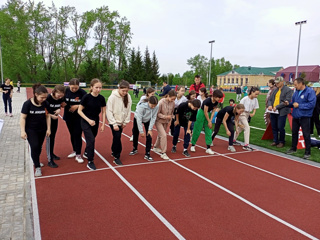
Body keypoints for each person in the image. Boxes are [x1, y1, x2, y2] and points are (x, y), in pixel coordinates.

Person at [20, 84, 51, 177]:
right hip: (31, 129)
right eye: (42, 97)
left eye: (45, 97)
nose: (44, 99)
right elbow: (23, 118)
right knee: (34, 146)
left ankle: (36, 159)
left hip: (42, 129)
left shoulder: (45, 103)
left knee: (39, 147)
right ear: (36, 94)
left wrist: (48, 128)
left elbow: (48, 115)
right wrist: (22, 131)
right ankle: (37, 167)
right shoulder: (27, 104)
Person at [78, 79, 106, 170]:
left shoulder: (101, 98)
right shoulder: (86, 97)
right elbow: (79, 110)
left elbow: (104, 111)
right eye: (96, 87)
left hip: (95, 121)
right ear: (91, 87)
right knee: (91, 140)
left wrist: (103, 124)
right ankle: (90, 161)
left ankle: (86, 152)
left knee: (93, 138)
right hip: (85, 120)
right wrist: (88, 120)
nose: (98, 89)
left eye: (100, 88)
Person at [285, 77, 316, 159]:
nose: (295, 86)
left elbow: (312, 104)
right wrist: (289, 104)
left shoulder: (310, 92)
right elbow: (294, 103)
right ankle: (293, 148)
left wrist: (299, 105)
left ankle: (307, 152)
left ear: (301, 83)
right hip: (296, 116)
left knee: (306, 134)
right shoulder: (296, 92)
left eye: (295, 85)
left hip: (305, 116)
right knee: (294, 133)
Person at [106, 80, 132, 165]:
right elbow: (109, 111)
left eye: (126, 91)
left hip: (122, 121)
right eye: (123, 90)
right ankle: (117, 157)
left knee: (116, 137)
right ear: (119, 88)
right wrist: (113, 124)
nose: (125, 92)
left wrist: (125, 122)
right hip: (114, 121)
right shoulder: (112, 97)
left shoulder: (128, 97)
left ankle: (113, 150)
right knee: (117, 137)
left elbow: (128, 110)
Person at [190, 89, 223, 154]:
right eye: (219, 98)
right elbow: (205, 111)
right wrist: (209, 121)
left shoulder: (216, 102)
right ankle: (193, 145)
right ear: (215, 96)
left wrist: (210, 120)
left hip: (208, 114)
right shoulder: (207, 101)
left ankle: (208, 147)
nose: (220, 99)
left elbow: (213, 111)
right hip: (201, 114)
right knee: (197, 129)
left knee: (209, 130)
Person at [63, 78, 87, 163]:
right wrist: (62, 104)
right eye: (72, 88)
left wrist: (77, 106)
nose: (74, 89)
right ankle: (74, 150)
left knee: (77, 134)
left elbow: (87, 103)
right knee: (72, 134)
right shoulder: (65, 91)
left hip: (78, 117)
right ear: (69, 86)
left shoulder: (82, 93)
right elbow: (59, 99)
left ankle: (78, 154)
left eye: (76, 88)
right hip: (68, 117)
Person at [130, 96, 159, 161]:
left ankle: (147, 153)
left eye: (155, 105)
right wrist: (141, 131)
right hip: (137, 118)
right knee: (135, 133)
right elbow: (139, 119)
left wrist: (150, 129)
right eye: (152, 105)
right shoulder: (142, 106)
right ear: (148, 102)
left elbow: (154, 117)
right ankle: (135, 148)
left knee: (149, 136)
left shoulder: (157, 106)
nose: (153, 107)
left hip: (148, 119)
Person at [267, 77, 293, 148]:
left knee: (280, 127)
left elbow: (286, 101)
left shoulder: (288, 90)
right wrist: (270, 105)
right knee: (274, 126)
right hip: (273, 111)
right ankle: (275, 140)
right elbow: (270, 99)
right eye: (276, 82)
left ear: (282, 82)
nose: (277, 83)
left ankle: (282, 141)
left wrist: (277, 107)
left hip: (282, 111)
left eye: (278, 82)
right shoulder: (275, 90)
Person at [233, 87, 260, 151]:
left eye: (257, 94)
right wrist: (238, 116)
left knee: (240, 128)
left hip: (247, 114)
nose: (257, 95)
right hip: (242, 114)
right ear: (252, 92)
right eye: (256, 94)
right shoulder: (244, 99)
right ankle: (246, 145)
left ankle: (233, 140)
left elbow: (255, 107)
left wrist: (253, 113)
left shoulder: (255, 100)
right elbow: (239, 107)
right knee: (247, 127)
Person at [45, 85, 65, 168]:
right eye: (58, 95)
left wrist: (59, 109)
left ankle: (51, 153)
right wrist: (51, 115)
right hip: (46, 120)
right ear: (54, 92)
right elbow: (44, 110)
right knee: (48, 139)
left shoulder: (60, 99)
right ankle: (50, 160)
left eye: (61, 95)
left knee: (52, 138)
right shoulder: (48, 98)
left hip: (55, 120)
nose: (60, 97)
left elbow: (61, 105)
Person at [153, 90, 177, 160]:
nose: (173, 100)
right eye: (172, 98)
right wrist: (166, 116)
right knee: (164, 135)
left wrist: (171, 118)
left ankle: (155, 147)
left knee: (161, 135)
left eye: (174, 99)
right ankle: (163, 153)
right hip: (159, 121)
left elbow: (172, 112)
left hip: (166, 121)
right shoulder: (161, 102)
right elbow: (157, 114)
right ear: (168, 96)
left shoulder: (173, 103)